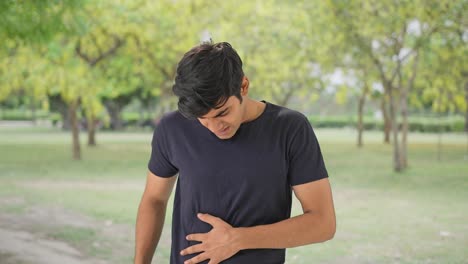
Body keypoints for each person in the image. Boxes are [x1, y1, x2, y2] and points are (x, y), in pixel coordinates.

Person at [134, 42, 336, 264]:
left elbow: (323, 223)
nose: (214, 126)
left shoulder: (290, 128)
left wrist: (238, 239)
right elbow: (154, 199)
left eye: (222, 113)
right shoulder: (173, 128)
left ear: (244, 86)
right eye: (203, 118)